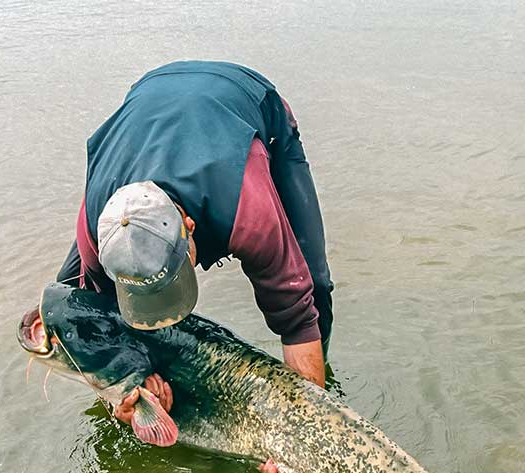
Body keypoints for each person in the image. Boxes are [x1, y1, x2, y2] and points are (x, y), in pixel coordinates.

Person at [55, 61, 334, 433]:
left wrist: (303, 433)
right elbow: (95, 325)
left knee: (313, 287)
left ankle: (324, 392)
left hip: (246, 103)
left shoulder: (247, 210)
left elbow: (296, 322)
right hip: (148, 102)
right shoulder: (95, 226)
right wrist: (121, 395)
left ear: (189, 228)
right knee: (69, 301)